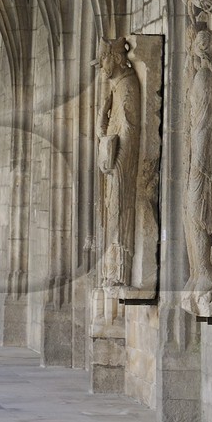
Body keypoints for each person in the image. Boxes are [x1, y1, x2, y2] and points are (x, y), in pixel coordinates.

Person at [185, 23, 212, 299]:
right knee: (196, 208)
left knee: (197, 206)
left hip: (206, 151)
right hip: (204, 147)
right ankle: (201, 269)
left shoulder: (205, 77)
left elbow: (203, 122)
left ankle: (204, 269)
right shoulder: (205, 75)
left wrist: (198, 162)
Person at [95, 39, 141, 287]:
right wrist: (103, 112)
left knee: (119, 213)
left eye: (104, 58)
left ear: (114, 57)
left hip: (122, 163)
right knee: (111, 214)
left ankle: (120, 274)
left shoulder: (127, 86)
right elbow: (104, 130)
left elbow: (130, 131)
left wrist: (114, 159)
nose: (102, 64)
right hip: (112, 163)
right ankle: (111, 271)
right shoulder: (116, 88)